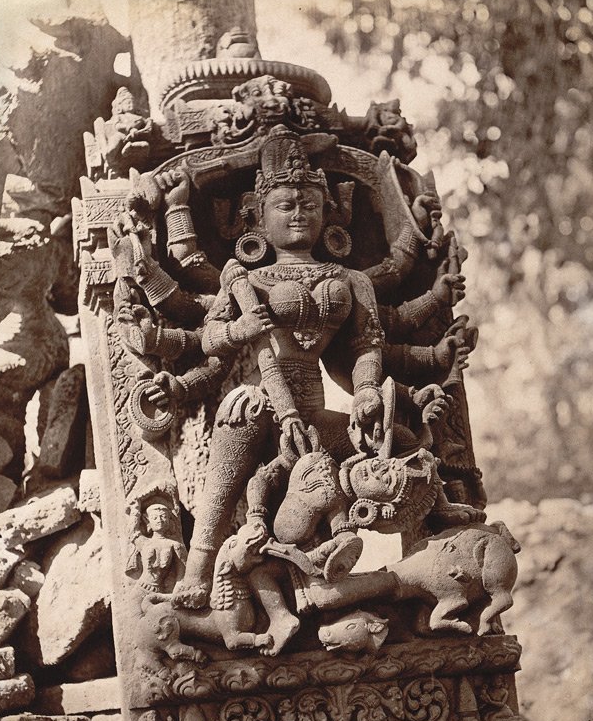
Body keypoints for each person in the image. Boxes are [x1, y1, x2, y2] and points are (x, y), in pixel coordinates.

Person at [176, 126, 466, 607]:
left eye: (309, 204)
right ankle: (199, 567)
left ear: (330, 212)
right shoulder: (247, 279)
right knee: (242, 420)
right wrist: (241, 330)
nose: (298, 215)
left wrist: (368, 391)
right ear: (256, 217)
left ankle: (427, 546)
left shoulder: (349, 280)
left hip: (312, 413)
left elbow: (365, 345)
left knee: (406, 441)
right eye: (285, 207)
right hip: (263, 404)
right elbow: (210, 338)